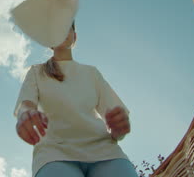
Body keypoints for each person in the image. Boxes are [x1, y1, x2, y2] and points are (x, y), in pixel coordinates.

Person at [14, 22, 138, 177]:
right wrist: (26, 114)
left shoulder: (91, 73)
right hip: (53, 154)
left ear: (75, 36)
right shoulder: (36, 72)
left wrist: (119, 129)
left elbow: (118, 121)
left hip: (106, 153)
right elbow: (26, 104)